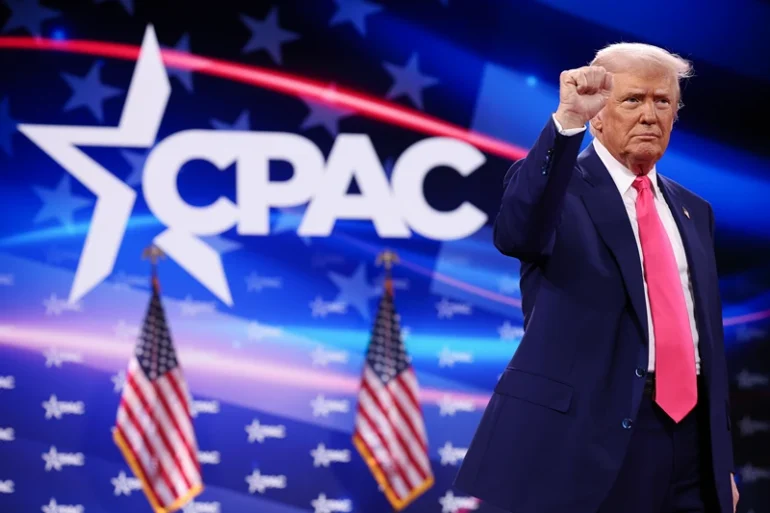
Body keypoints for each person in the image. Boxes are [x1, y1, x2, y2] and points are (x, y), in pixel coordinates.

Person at [453, 43, 739, 513]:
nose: (650, 115)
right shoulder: (556, 189)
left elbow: (703, 339)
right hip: (589, 438)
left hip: (691, 445)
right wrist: (567, 122)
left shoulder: (694, 211)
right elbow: (516, 233)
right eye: (633, 100)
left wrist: (720, 461)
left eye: (662, 102)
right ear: (599, 112)